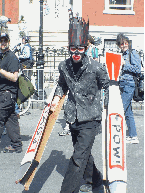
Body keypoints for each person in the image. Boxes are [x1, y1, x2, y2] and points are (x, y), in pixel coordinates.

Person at [50, 12, 109, 193]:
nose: (76, 52)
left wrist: (108, 105)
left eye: (80, 48)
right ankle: (96, 180)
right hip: (73, 117)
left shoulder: (97, 68)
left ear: (86, 47)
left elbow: (108, 86)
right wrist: (56, 98)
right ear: (69, 47)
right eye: (73, 48)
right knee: (84, 155)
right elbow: (62, 85)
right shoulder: (63, 66)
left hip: (90, 118)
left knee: (77, 158)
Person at [116, 33, 141, 144]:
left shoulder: (132, 53)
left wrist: (124, 64)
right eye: (121, 43)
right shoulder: (123, 54)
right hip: (123, 83)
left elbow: (137, 69)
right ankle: (133, 136)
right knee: (128, 111)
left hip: (129, 84)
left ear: (128, 43)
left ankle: (117, 133)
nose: (124, 45)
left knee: (121, 109)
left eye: (125, 43)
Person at [0, 33, 22, 153]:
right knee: (11, 120)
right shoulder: (2, 56)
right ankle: (16, 145)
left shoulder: (12, 57)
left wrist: (1, 70)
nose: (3, 43)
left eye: (5, 41)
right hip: (5, 94)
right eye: (1, 41)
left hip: (7, 94)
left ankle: (16, 144)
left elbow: (14, 77)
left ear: (8, 42)